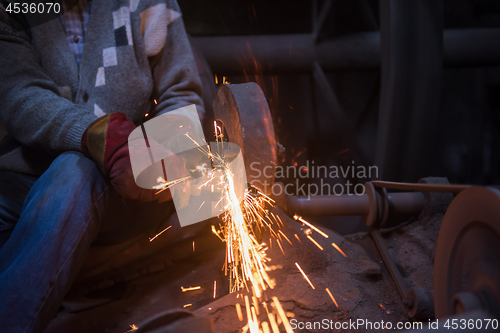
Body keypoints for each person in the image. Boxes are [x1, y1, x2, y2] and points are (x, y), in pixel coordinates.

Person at [0, 0, 205, 331]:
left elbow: (181, 94)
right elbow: (22, 97)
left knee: (73, 171)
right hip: (22, 183)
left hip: (124, 190)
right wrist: (101, 137)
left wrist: (163, 154)